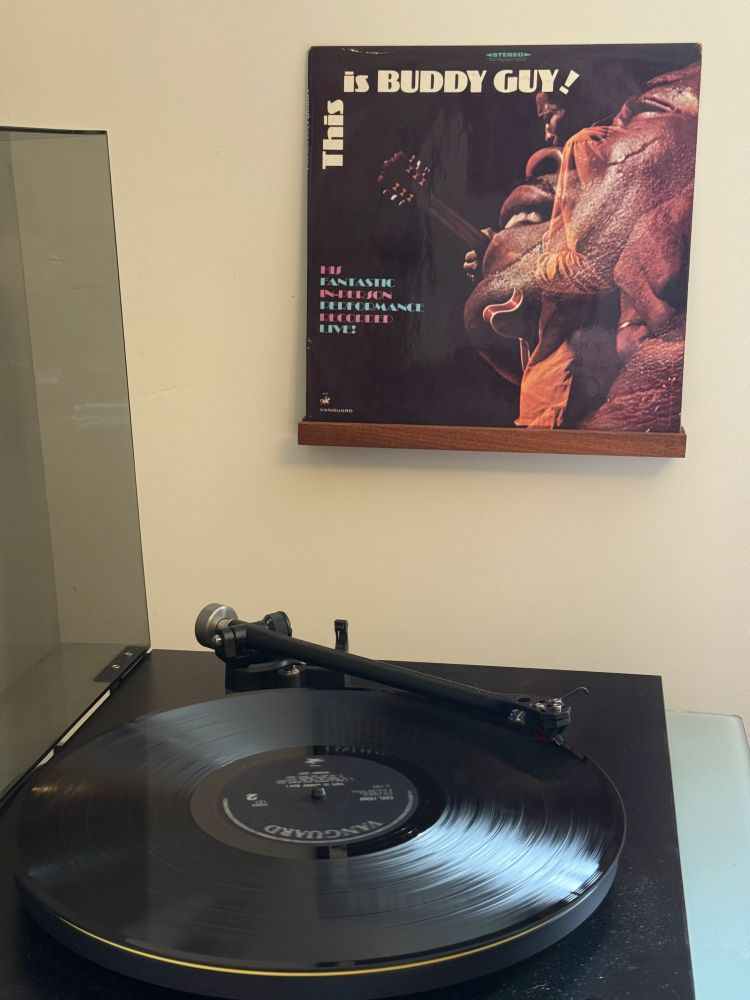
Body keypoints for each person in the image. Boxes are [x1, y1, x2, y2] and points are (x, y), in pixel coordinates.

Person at [464, 61, 700, 431]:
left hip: (564, 386)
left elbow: (586, 264)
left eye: (550, 115)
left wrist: (521, 270)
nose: (546, 135)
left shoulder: (587, 143)